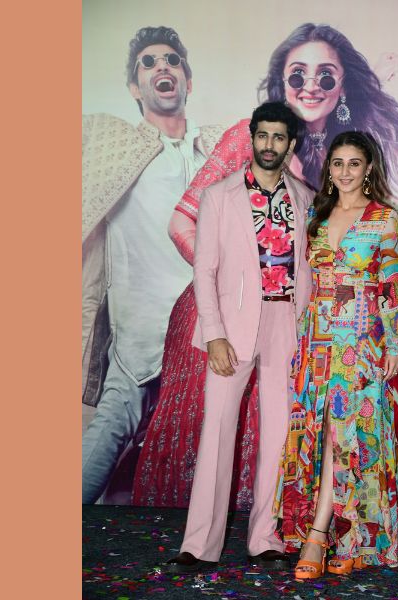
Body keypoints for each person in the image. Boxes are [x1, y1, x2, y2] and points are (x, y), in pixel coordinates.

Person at [132, 22, 398, 510]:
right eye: (298, 74)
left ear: (343, 87)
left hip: (297, 322)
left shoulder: (341, 156)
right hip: (226, 315)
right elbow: (181, 223)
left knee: (285, 435)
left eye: (326, 76)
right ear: (281, 81)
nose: (311, 86)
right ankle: (194, 539)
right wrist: (239, 283)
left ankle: (277, 533)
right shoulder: (251, 137)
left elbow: (364, 268)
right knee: (216, 441)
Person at [165, 102, 314, 573]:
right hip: (231, 328)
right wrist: (213, 335)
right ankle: (199, 544)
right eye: (262, 135)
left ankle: (265, 537)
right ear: (252, 138)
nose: (269, 145)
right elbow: (204, 270)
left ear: (290, 144)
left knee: (279, 434)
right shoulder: (219, 196)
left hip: (286, 324)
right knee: (217, 431)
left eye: (278, 137)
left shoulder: (305, 197)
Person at [81, 25, 225, 504]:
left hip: (207, 331)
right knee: (108, 434)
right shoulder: (116, 149)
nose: (162, 66)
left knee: (203, 453)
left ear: (188, 80)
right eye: (149, 62)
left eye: (172, 60)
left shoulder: (214, 150)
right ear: (134, 88)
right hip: (142, 333)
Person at [276, 131, 398, 579]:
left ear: (368, 167)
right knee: (320, 436)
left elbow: (393, 285)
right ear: (329, 169)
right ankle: (347, 534)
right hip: (317, 341)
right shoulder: (316, 216)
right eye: (337, 163)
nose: (345, 172)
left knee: (353, 437)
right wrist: (297, 342)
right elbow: (305, 282)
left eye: (354, 163)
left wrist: (394, 344)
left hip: (362, 341)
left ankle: (321, 534)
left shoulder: (384, 219)